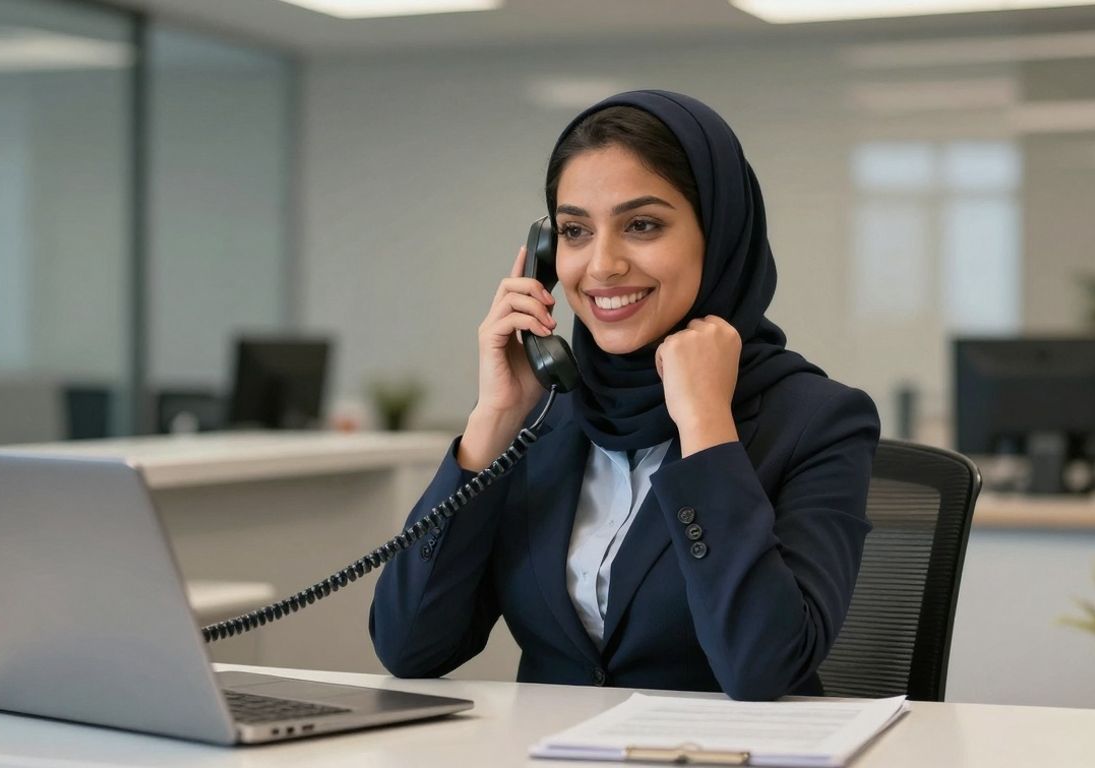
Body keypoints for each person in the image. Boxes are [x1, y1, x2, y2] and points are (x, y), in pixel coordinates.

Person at [369, 90, 880, 701]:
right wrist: (496, 418)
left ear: (718, 235)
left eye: (643, 225)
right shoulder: (546, 416)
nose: (602, 265)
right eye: (575, 232)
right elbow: (410, 649)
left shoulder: (817, 420)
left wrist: (706, 426)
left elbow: (763, 668)